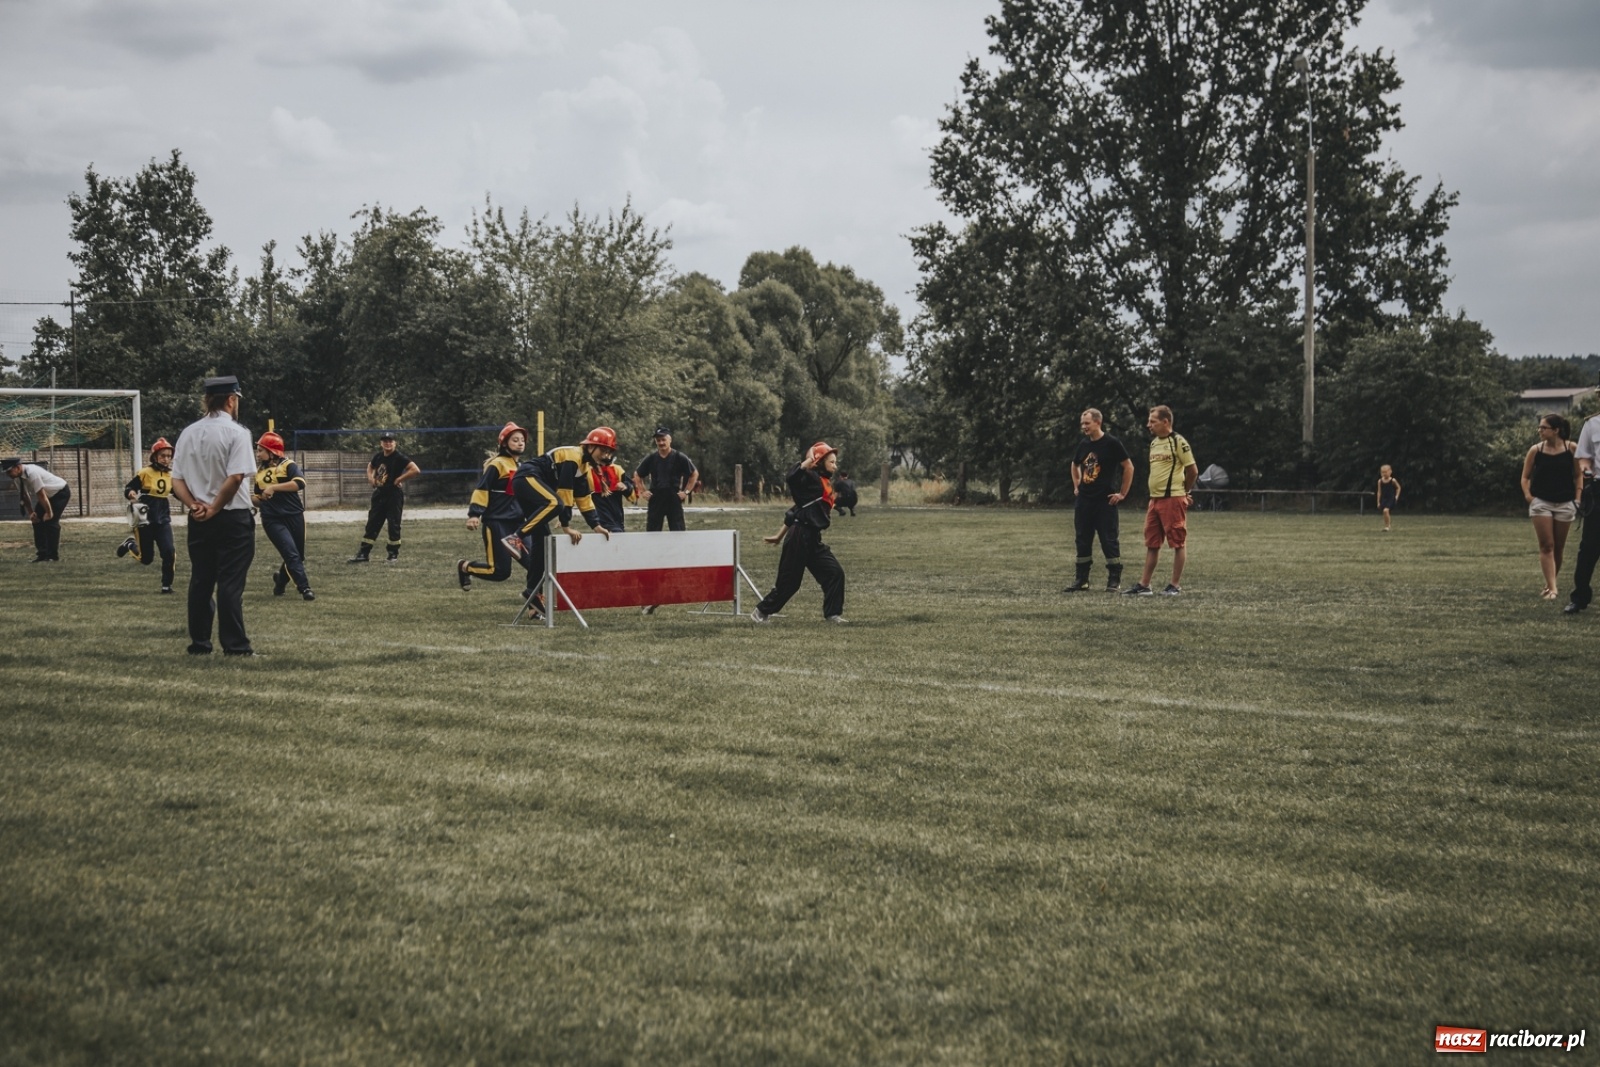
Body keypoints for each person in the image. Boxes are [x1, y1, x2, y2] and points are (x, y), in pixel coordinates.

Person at [475, 427, 614, 617]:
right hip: (526, 478)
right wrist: (566, 526)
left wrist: (596, 525)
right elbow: (565, 494)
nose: (605, 455)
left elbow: (583, 499)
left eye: (608, 451)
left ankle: (532, 593)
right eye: (602, 450)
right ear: (590, 447)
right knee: (554, 503)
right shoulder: (573, 457)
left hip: (532, 484)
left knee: (543, 544)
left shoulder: (583, 468)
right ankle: (515, 538)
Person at [169, 375, 256, 656]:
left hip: (199, 519)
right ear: (231, 399)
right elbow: (235, 477)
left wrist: (195, 505)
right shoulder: (238, 433)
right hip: (232, 517)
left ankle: (200, 643)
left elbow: (177, 481)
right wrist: (216, 507)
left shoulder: (188, 433)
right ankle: (235, 646)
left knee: (201, 581)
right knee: (230, 584)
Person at [751, 441, 847, 624]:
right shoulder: (810, 478)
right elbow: (791, 478)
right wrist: (806, 463)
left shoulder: (823, 483)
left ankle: (833, 615)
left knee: (834, 573)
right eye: (831, 462)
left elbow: (796, 510)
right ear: (819, 463)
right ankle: (761, 612)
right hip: (799, 536)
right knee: (790, 583)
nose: (835, 466)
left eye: (835, 462)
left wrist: (778, 536)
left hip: (812, 538)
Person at [1124, 405, 1197, 597]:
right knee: (1152, 543)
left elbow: (1192, 470)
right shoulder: (1155, 443)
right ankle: (1144, 585)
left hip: (1172, 499)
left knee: (1177, 542)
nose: (1148, 425)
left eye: (1153, 421)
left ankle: (1174, 585)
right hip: (1154, 500)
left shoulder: (1178, 441)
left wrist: (1184, 491)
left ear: (1166, 422)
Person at [458, 422, 534, 591]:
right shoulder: (497, 464)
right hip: (497, 524)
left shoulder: (522, 467)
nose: (520, 443)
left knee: (536, 565)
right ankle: (465, 567)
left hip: (518, 526)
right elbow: (482, 489)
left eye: (522, 440)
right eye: (515, 440)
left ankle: (535, 606)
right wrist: (474, 514)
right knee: (500, 572)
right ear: (504, 443)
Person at [1065, 408, 1134, 592]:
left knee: (1108, 540)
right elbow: (1075, 464)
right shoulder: (1083, 444)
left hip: (1105, 502)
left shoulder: (1112, 443)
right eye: (1082, 424)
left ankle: (1114, 579)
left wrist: (1122, 493)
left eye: (1087, 423)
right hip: (1084, 502)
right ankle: (1082, 580)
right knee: (1082, 540)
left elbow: (1128, 467)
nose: (1084, 427)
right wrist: (1077, 484)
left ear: (1098, 422)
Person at [252, 431, 315, 602]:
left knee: (297, 555)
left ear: (272, 452)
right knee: (291, 553)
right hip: (272, 519)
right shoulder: (258, 473)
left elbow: (300, 483)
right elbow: (258, 498)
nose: (257, 454)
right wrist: (253, 500)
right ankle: (305, 588)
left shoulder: (288, 465)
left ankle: (280, 581)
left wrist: (273, 488)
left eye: (260, 450)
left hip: (294, 515)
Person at [348, 431, 419, 563]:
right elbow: (370, 466)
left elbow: (415, 470)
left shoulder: (399, 457)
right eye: (385, 441)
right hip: (380, 494)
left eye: (390, 441)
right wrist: (371, 479)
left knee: (393, 525)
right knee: (372, 524)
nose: (387, 443)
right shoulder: (379, 456)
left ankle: (393, 554)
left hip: (393, 495)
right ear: (381, 443)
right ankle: (364, 554)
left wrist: (399, 479)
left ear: (395, 443)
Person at [117, 437, 177, 592]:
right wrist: (130, 493)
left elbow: (178, 492)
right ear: (155, 457)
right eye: (163, 456)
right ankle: (130, 544)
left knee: (169, 552)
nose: (166, 459)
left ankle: (166, 585)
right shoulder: (145, 473)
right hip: (145, 519)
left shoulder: (173, 475)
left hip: (163, 519)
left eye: (169, 456)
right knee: (146, 559)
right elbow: (130, 487)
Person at [1563, 412, 1600, 615]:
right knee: (1589, 548)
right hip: (1599, 489)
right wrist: (1586, 469)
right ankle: (1579, 598)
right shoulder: (1592, 424)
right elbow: (1584, 457)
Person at [3, 457, 70, 562]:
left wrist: (49, 512)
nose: (8, 475)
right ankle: (42, 555)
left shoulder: (32, 473)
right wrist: (31, 513)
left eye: (9, 471)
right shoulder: (16, 477)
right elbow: (24, 495)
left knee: (51, 522)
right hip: (47, 496)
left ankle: (52, 556)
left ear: (17, 467)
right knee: (37, 521)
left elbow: (41, 494)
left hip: (60, 493)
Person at [632, 426, 698, 532]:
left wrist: (686, 492)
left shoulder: (679, 457)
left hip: (673, 497)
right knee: (652, 533)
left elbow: (694, 473)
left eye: (663, 439)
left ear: (670, 440)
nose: (661, 443)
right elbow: (637, 474)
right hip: (656, 497)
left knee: (678, 531)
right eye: (658, 440)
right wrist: (643, 492)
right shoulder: (651, 458)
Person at [588, 451, 637, 534]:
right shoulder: (588, 472)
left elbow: (633, 497)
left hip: (618, 521)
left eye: (609, 452)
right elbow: (576, 493)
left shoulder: (617, 469)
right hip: (601, 521)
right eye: (603, 451)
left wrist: (626, 486)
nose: (607, 454)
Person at [1376, 464, 1401, 532]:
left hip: (1391, 498)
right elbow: (1379, 492)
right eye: (1382, 472)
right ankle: (1387, 525)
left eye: (1386, 472)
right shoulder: (1380, 481)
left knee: (1385, 511)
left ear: (1390, 472)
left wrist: (1396, 496)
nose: (1384, 474)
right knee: (1385, 512)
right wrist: (1378, 502)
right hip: (1384, 499)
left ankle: (1387, 526)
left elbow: (1398, 488)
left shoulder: (1393, 480)